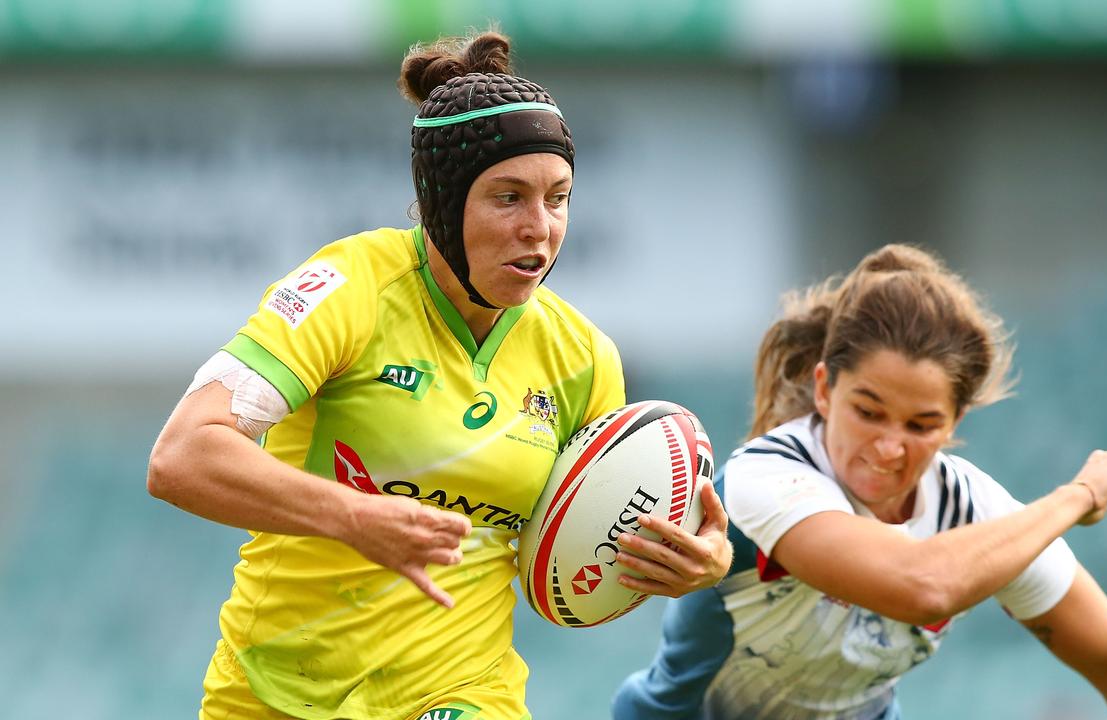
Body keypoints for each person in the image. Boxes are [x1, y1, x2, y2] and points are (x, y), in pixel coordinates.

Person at [147, 31, 732, 720]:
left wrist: (687, 560)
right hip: (276, 690)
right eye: (508, 197)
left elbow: (567, 567)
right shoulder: (350, 287)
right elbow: (181, 456)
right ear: (442, 200)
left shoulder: (582, 359)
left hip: (461, 692)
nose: (539, 228)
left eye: (559, 198)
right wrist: (354, 516)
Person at [613, 244, 1107, 720]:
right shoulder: (764, 475)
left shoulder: (976, 511)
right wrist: (1078, 495)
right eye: (868, 411)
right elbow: (923, 585)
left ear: (955, 422)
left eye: (921, 424)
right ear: (823, 389)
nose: (889, 447)